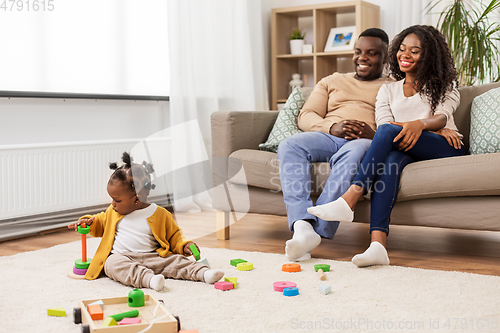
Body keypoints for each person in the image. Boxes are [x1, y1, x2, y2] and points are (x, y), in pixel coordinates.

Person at [308, 25, 465, 267]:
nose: (405, 55)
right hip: (406, 148)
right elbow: (383, 125)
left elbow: (442, 116)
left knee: (390, 132)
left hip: (444, 145)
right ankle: (377, 245)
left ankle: (350, 197)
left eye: (415, 51)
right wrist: (414, 127)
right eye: (402, 49)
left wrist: (422, 125)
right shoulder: (388, 90)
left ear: (429, 55)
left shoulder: (445, 85)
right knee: (390, 162)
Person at [278, 28, 393, 261]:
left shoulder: (393, 86)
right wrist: (332, 127)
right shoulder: (332, 80)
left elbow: (395, 124)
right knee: (289, 145)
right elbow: (306, 115)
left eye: (371, 53)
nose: (362, 58)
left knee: (355, 154)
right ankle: (302, 226)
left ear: (385, 57)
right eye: (358, 51)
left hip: (363, 140)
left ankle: (319, 230)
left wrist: (373, 134)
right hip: (328, 135)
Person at [68, 152, 224, 290]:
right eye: (112, 200)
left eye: (117, 200)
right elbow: (99, 222)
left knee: (177, 261)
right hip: (123, 257)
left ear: (137, 199)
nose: (113, 204)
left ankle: (203, 273)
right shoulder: (113, 212)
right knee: (111, 264)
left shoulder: (160, 214)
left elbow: (174, 236)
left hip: (155, 256)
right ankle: (149, 279)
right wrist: (88, 222)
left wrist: (184, 245)